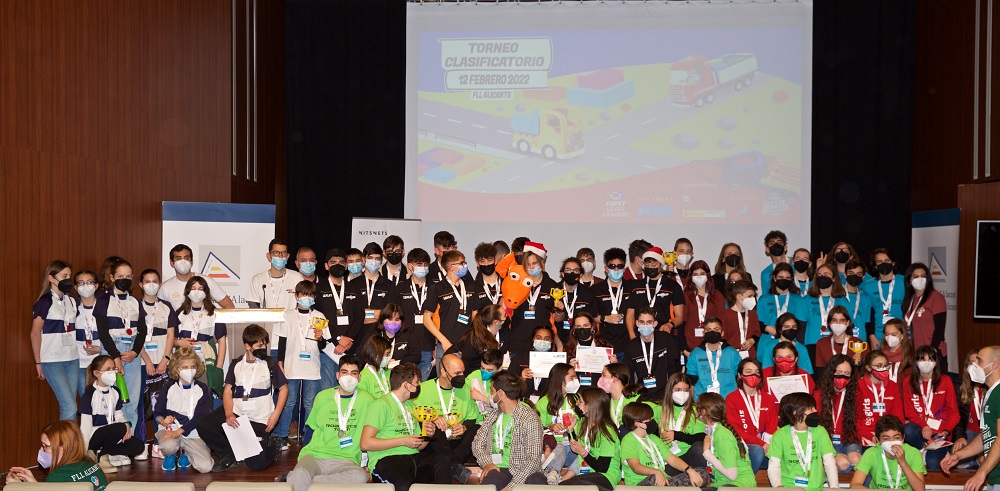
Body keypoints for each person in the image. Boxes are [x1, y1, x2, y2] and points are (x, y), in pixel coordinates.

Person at [198, 324, 286, 472]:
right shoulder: (236, 364)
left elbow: (284, 389)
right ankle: (230, 453)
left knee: (257, 465)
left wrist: (276, 415)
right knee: (204, 425)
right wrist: (228, 413)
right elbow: (227, 391)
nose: (264, 348)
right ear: (247, 346)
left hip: (260, 419)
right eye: (259, 345)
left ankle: (273, 446)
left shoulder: (269, 363)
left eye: (265, 344)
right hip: (238, 413)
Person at [282, 355, 373, 489]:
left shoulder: (367, 399)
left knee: (360, 477)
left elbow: (372, 434)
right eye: (344, 372)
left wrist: (368, 464)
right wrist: (305, 454)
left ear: (359, 377)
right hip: (315, 455)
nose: (349, 377)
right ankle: (300, 478)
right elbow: (311, 429)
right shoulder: (322, 396)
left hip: (346, 460)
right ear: (337, 375)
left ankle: (296, 479)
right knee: (301, 473)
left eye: (353, 373)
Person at [361, 362, 451, 491]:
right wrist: (403, 441)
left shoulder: (410, 406)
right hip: (387, 460)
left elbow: (419, 446)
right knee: (403, 483)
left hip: (413, 458)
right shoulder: (381, 404)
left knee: (443, 460)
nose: (419, 386)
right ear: (406, 385)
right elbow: (365, 443)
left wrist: (427, 435)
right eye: (417, 383)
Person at [275, 280, 332, 446]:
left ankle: (309, 437)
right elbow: (282, 340)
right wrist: (280, 361)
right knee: (289, 402)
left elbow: (323, 345)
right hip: (292, 365)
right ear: (296, 296)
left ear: (314, 297)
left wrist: (320, 338)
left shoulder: (319, 316)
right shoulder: (287, 315)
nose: (307, 298)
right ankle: (282, 436)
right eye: (303, 295)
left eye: (310, 295)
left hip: (311, 366)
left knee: (309, 403)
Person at [472, 370, 549, 491]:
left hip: (525, 470)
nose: (490, 394)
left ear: (500, 393)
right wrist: (487, 463)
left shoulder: (529, 418)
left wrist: (510, 487)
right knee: (491, 479)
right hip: (499, 469)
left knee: (537, 481)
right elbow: (477, 443)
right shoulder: (493, 415)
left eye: (491, 390)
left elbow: (533, 460)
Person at [94, 259, 145, 434]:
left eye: (128, 277)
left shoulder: (135, 302)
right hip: (111, 351)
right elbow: (103, 332)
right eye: (120, 276)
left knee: (131, 400)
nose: (125, 280)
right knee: (110, 398)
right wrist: (115, 357)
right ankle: (112, 439)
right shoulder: (103, 300)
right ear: (112, 277)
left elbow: (142, 331)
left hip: (132, 353)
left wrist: (135, 352)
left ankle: (128, 438)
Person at [411, 354, 478, 483]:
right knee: (432, 426)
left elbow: (471, 417)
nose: (461, 376)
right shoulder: (423, 389)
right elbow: (414, 415)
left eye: (463, 372)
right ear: (443, 372)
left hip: (457, 441)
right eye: (457, 373)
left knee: (477, 429)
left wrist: (464, 427)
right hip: (435, 442)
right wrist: (432, 418)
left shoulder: (465, 389)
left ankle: (452, 464)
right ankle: (454, 465)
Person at [941, 346, 1000, 491]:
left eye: (979, 361)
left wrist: (981, 472)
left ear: (994, 365)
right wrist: (958, 455)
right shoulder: (991, 393)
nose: (974, 365)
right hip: (995, 476)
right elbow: (986, 435)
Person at [152, 347, 214, 473]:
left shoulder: (203, 389)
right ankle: (170, 455)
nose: (189, 370)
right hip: (171, 429)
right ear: (176, 368)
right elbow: (157, 412)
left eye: (192, 367)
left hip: (193, 432)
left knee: (206, 467)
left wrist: (179, 432)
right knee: (168, 446)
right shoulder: (168, 387)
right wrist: (164, 421)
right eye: (185, 367)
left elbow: (200, 417)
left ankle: (186, 452)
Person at [137, 268, 177, 460]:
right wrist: (147, 360)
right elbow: (135, 336)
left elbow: (171, 335)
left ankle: (159, 443)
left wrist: (165, 359)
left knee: (162, 404)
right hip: (141, 363)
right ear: (140, 284)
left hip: (163, 363)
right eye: (147, 281)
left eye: (155, 281)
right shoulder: (134, 306)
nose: (151, 285)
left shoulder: (166, 306)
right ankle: (141, 444)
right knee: (142, 404)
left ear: (160, 284)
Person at [32, 260, 80, 421]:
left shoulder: (72, 300)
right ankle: (66, 438)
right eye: (64, 276)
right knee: (69, 405)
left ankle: (70, 437)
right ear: (51, 278)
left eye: (69, 276)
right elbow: (35, 333)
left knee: (71, 404)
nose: (68, 280)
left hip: (72, 358)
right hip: (52, 360)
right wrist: (38, 362)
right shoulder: (45, 302)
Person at [79, 355, 145, 472]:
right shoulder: (89, 395)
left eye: (113, 368)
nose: (113, 372)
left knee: (138, 446)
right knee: (119, 428)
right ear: (97, 373)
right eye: (108, 369)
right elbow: (85, 426)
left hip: (113, 434)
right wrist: (84, 451)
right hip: (96, 436)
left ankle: (107, 452)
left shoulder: (115, 392)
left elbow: (118, 414)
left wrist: (126, 424)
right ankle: (101, 457)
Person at [620, 401, 707, 487]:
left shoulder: (653, 438)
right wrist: (656, 472)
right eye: (649, 419)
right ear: (638, 423)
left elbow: (672, 459)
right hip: (641, 483)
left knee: (701, 473)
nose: (653, 420)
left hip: (664, 480)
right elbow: (636, 467)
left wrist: (689, 470)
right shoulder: (628, 440)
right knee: (653, 479)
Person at [766, 392, 839, 490]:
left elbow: (829, 462)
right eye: (810, 408)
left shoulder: (820, 431)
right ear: (795, 412)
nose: (815, 410)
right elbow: (774, 466)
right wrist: (778, 487)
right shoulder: (780, 435)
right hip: (789, 488)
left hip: (816, 488)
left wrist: (834, 487)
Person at [901, 345, 958, 471]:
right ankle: (922, 448)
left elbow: (954, 413)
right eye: (922, 359)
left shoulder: (945, 381)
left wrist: (946, 431)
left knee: (933, 464)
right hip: (920, 430)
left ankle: (937, 451)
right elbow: (909, 411)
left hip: (940, 433)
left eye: (930, 359)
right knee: (907, 430)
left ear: (936, 362)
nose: (926, 363)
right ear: (916, 362)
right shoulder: (908, 382)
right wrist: (924, 425)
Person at [5, 420, 108, 490]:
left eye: (46, 446)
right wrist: (34, 484)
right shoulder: (91, 464)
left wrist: (18, 487)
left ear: (62, 448)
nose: (41, 450)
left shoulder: (58, 476)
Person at [247, 239, 306, 358]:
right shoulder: (258, 279)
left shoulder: (297, 278)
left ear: (288, 256)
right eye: (276, 253)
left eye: (283, 253)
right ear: (269, 256)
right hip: (266, 341)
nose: (280, 256)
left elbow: (303, 306)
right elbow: (253, 307)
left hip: (290, 341)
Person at [423, 249, 483, 357]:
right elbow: (426, 319)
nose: (465, 266)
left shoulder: (471, 287)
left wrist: (474, 336)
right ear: (451, 267)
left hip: (468, 344)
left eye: (464, 263)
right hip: (446, 345)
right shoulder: (437, 288)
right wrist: (443, 341)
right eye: (461, 263)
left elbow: (475, 314)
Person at [561, 388, 622, 491]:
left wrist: (583, 453)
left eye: (580, 401)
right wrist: (570, 430)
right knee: (566, 485)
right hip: (587, 474)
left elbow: (602, 468)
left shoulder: (607, 430)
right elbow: (575, 448)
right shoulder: (583, 422)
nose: (577, 403)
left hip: (606, 476)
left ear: (589, 406)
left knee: (568, 485)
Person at [173, 276, 227, 392]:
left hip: (206, 362)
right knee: (183, 393)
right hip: (184, 362)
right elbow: (170, 339)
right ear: (187, 291)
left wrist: (219, 366)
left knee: (205, 393)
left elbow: (222, 340)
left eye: (200, 288)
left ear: (206, 292)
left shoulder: (214, 313)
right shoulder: (180, 313)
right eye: (193, 288)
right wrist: (179, 342)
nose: (196, 292)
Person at [725, 357, 778, 473]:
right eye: (748, 372)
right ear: (740, 375)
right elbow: (735, 429)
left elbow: (772, 425)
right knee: (757, 451)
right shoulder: (732, 398)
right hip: (742, 445)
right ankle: (745, 480)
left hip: (766, 444)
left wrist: (767, 443)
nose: (753, 375)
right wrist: (761, 444)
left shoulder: (768, 399)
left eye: (757, 372)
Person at [507, 244, 562, 353]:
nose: (531, 267)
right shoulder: (517, 283)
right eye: (528, 264)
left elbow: (558, 319)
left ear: (542, 262)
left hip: (543, 344)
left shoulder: (553, 286)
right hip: (518, 342)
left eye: (534, 263)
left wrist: (559, 310)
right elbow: (507, 308)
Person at [387, 248, 433, 379]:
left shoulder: (435, 287)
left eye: (425, 264)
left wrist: (436, 344)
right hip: (405, 345)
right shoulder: (400, 288)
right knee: (403, 382)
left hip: (427, 344)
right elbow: (395, 316)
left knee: (421, 383)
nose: (423, 267)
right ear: (410, 266)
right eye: (419, 264)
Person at [625, 246, 685, 344]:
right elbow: (630, 314)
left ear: (661, 265)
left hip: (663, 333)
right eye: (647, 264)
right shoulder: (636, 286)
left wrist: (670, 325)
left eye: (654, 264)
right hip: (639, 334)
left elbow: (679, 317)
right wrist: (632, 336)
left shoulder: (672, 286)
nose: (650, 267)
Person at [850, 415, 926, 491]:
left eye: (896, 437)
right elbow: (854, 485)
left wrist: (903, 462)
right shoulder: (871, 453)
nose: (892, 442)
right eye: (886, 438)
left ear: (903, 438)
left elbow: (920, 489)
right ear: (878, 440)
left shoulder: (913, 453)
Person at [696, 392, 755, 487]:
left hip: (739, 484)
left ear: (703, 412)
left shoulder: (722, 434)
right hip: (722, 483)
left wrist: (707, 453)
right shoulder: (715, 430)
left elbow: (732, 475)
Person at [815, 354, 862, 472]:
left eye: (847, 374)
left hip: (848, 438)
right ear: (831, 372)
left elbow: (859, 418)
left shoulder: (855, 393)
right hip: (827, 440)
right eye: (838, 372)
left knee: (856, 460)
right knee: (843, 464)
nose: (842, 377)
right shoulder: (819, 393)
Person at [315, 248, 353, 390]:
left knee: (349, 390)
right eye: (333, 262)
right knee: (327, 392)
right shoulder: (318, 288)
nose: (337, 265)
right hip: (328, 349)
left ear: (346, 265)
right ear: (326, 266)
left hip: (350, 348)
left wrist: (348, 340)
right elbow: (318, 317)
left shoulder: (354, 287)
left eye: (341, 262)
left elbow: (359, 316)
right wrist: (337, 339)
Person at [626, 307, 682, 401]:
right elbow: (629, 374)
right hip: (642, 395)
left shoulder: (665, 339)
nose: (645, 325)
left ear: (655, 324)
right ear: (637, 323)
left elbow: (674, 366)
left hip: (665, 394)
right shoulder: (631, 346)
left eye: (649, 322)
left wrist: (673, 390)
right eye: (642, 322)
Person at [158, 244, 236, 310]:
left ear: (191, 262)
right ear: (172, 263)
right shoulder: (165, 288)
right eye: (178, 258)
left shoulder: (207, 281)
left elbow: (229, 306)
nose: (183, 262)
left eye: (186, 258)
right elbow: (159, 314)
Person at [347, 242, 395, 347]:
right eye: (370, 258)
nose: (374, 261)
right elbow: (352, 315)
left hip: (380, 340)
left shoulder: (389, 285)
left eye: (377, 259)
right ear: (363, 260)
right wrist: (376, 314)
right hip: (356, 340)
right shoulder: (352, 285)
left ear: (381, 261)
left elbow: (389, 315)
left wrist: (364, 314)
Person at [856, 350, 906, 446]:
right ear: (868, 368)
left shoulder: (893, 386)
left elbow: (898, 416)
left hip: (888, 434)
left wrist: (892, 436)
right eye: (879, 366)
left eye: (886, 365)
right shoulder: (858, 387)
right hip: (866, 434)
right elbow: (856, 420)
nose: (883, 369)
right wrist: (871, 437)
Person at [658, 373, 707, 468]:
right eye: (677, 390)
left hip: (688, 455)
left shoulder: (695, 411)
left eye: (686, 390)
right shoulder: (659, 409)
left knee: (698, 447)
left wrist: (677, 435)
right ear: (670, 390)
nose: (682, 393)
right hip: (667, 457)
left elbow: (701, 438)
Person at [902, 263, 948, 363]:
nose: (920, 279)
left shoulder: (935, 297)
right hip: (915, 354)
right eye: (916, 276)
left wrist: (932, 350)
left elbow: (940, 327)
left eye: (923, 276)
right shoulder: (910, 300)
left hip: (931, 353)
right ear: (910, 280)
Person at [685, 316, 740, 399]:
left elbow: (739, 378)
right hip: (702, 401)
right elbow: (691, 382)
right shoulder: (695, 354)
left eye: (716, 329)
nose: (712, 332)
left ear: (722, 333)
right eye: (708, 330)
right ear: (703, 333)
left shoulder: (732, 353)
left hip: (729, 400)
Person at [861, 248, 905, 349]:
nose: (883, 264)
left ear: (893, 263)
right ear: (875, 266)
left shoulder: (904, 282)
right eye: (879, 262)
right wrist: (871, 336)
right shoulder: (868, 286)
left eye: (887, 261)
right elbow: (868, 314)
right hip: (878, 336)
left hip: (901, 335)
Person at [592, 247, 631, 360]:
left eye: (620, 266)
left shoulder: (631, 288)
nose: (616, 269)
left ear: (624, 268)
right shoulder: (596, 290)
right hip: (604, 345)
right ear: (606, 268)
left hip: (627, 345)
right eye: (612, 266)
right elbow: (590, 318)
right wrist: (605, 318)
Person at [682, 260, 726, 355]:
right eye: (695, 274)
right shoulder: (686, 296)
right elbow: (682, 323)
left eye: (702, 274)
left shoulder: (717, 296)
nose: (699, 277)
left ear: (708, 275)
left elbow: (722, 321)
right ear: (691, 277)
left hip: (713, 344)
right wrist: (684, 348)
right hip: (690, 345)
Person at [804, 263, 849, 355]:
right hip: (812, 344)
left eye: (826, 274)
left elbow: (848, 325)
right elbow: (801, 326)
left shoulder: (842, 300)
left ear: (834, 278)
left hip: (837, 343)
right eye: (819, 275)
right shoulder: (807, 299)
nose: (822, 277)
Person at [953, 349, 987, 469]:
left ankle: (981, 459)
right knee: (960, 461)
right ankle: (978, 459)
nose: (975, 366)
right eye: (971, 363)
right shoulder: (958, 385)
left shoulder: (992, 385)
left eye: (978, 362)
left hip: (988, 432)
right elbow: (955, 416)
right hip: (969, 432)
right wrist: (959, 436)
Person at [447, 303, 503, 371]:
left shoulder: (501, 332)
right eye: (505, 316)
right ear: (496, 322)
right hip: (467, 371)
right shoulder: (474, 338)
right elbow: (466, 363)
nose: (506, 318)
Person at [556, 257, 599, 346]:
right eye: (568, 270)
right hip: (558, 341)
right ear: (562, 273)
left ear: (581, 274)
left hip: (581, 342)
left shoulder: (588, 294)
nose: (572, 273)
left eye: (575, 270)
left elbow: (592, 321)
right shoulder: (554, 291)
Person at [74, 270, 104, 396]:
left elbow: (115, 336)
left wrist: (101, 349)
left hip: (102, 364)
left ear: (96, 286)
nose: (85, 286)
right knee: (87, 401)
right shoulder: (72, 308)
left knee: (106, 400)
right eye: (81, 283)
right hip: (80, 364)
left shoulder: (105, 308)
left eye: (89, 282)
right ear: (75, 287)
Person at [566, 312, 615, 388]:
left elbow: (614, 376)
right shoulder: (568, 349)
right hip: (576, 390)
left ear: (592, 327)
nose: (582, 329)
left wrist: (614, 365)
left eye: (585, 325)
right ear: (574, 329)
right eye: (578, 326)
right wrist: (568, 369)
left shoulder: (604, 347)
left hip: (600, 390)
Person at [814, 306, 869, 372]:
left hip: (853, 378)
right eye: (834, 320)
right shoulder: (822, 343)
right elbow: (820, 371)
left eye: (842, 320)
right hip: (829, 378)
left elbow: (867, 370)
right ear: (829, 323)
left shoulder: (859, 343)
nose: (838, 323)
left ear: (847, 323)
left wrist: (859, 363)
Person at [511, 326, 558, 400]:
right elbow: (508, 382)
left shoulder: (556, 360)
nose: (542, 341)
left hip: (547, 401)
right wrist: (521, 378)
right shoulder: (521, 357)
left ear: (551, 341)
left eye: (547, 339)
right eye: (538, 338)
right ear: (533, 339)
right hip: (524, 400)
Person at [720, 279, 760, 359]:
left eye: (753, 296)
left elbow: (757, 333)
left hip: (750, 355)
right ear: (739, 297)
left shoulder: (752, 313)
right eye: (749, 296)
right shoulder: (726, 315)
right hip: (731, 356)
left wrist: (751, 340)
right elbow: (722, 338)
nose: (753, 299)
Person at [374, 303, 421, 368]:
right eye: (390, 319)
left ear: (401, 321)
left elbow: (416, 357)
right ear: (383, 320)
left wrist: (398, 362)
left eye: (397, 320)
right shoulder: (375, 336)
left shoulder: (408, 335)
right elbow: (365, 355)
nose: (393, 322)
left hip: (401, 371)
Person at [466, 349, 504, 424]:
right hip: (476, 420)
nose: (484, 372)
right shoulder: (474, 375)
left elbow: (504, 406)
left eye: (489, 370)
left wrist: (482, 398)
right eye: (482, 368)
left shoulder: (504, 381)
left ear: (499, 369)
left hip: (495, 421)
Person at [843, 259, 875, 344]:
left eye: (858, 274)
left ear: (863, 277)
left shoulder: (866, 298)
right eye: (851, 273)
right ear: (845, 274)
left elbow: (867, 323)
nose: (854, 276)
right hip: (841, 341)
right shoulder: (837, 296)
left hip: (860, 342)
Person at [882, 318, 914, 383]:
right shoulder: (880, 355)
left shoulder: (909, 355)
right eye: (887, 334)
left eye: (893, 334)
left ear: (902, 336)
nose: (889, 337)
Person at [473, 242, 502, 306]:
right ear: (477, 263)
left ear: (495, 261)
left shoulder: (505, 282)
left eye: (489, 260)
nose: (486, 264)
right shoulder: (474, 287)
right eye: (482, 261)